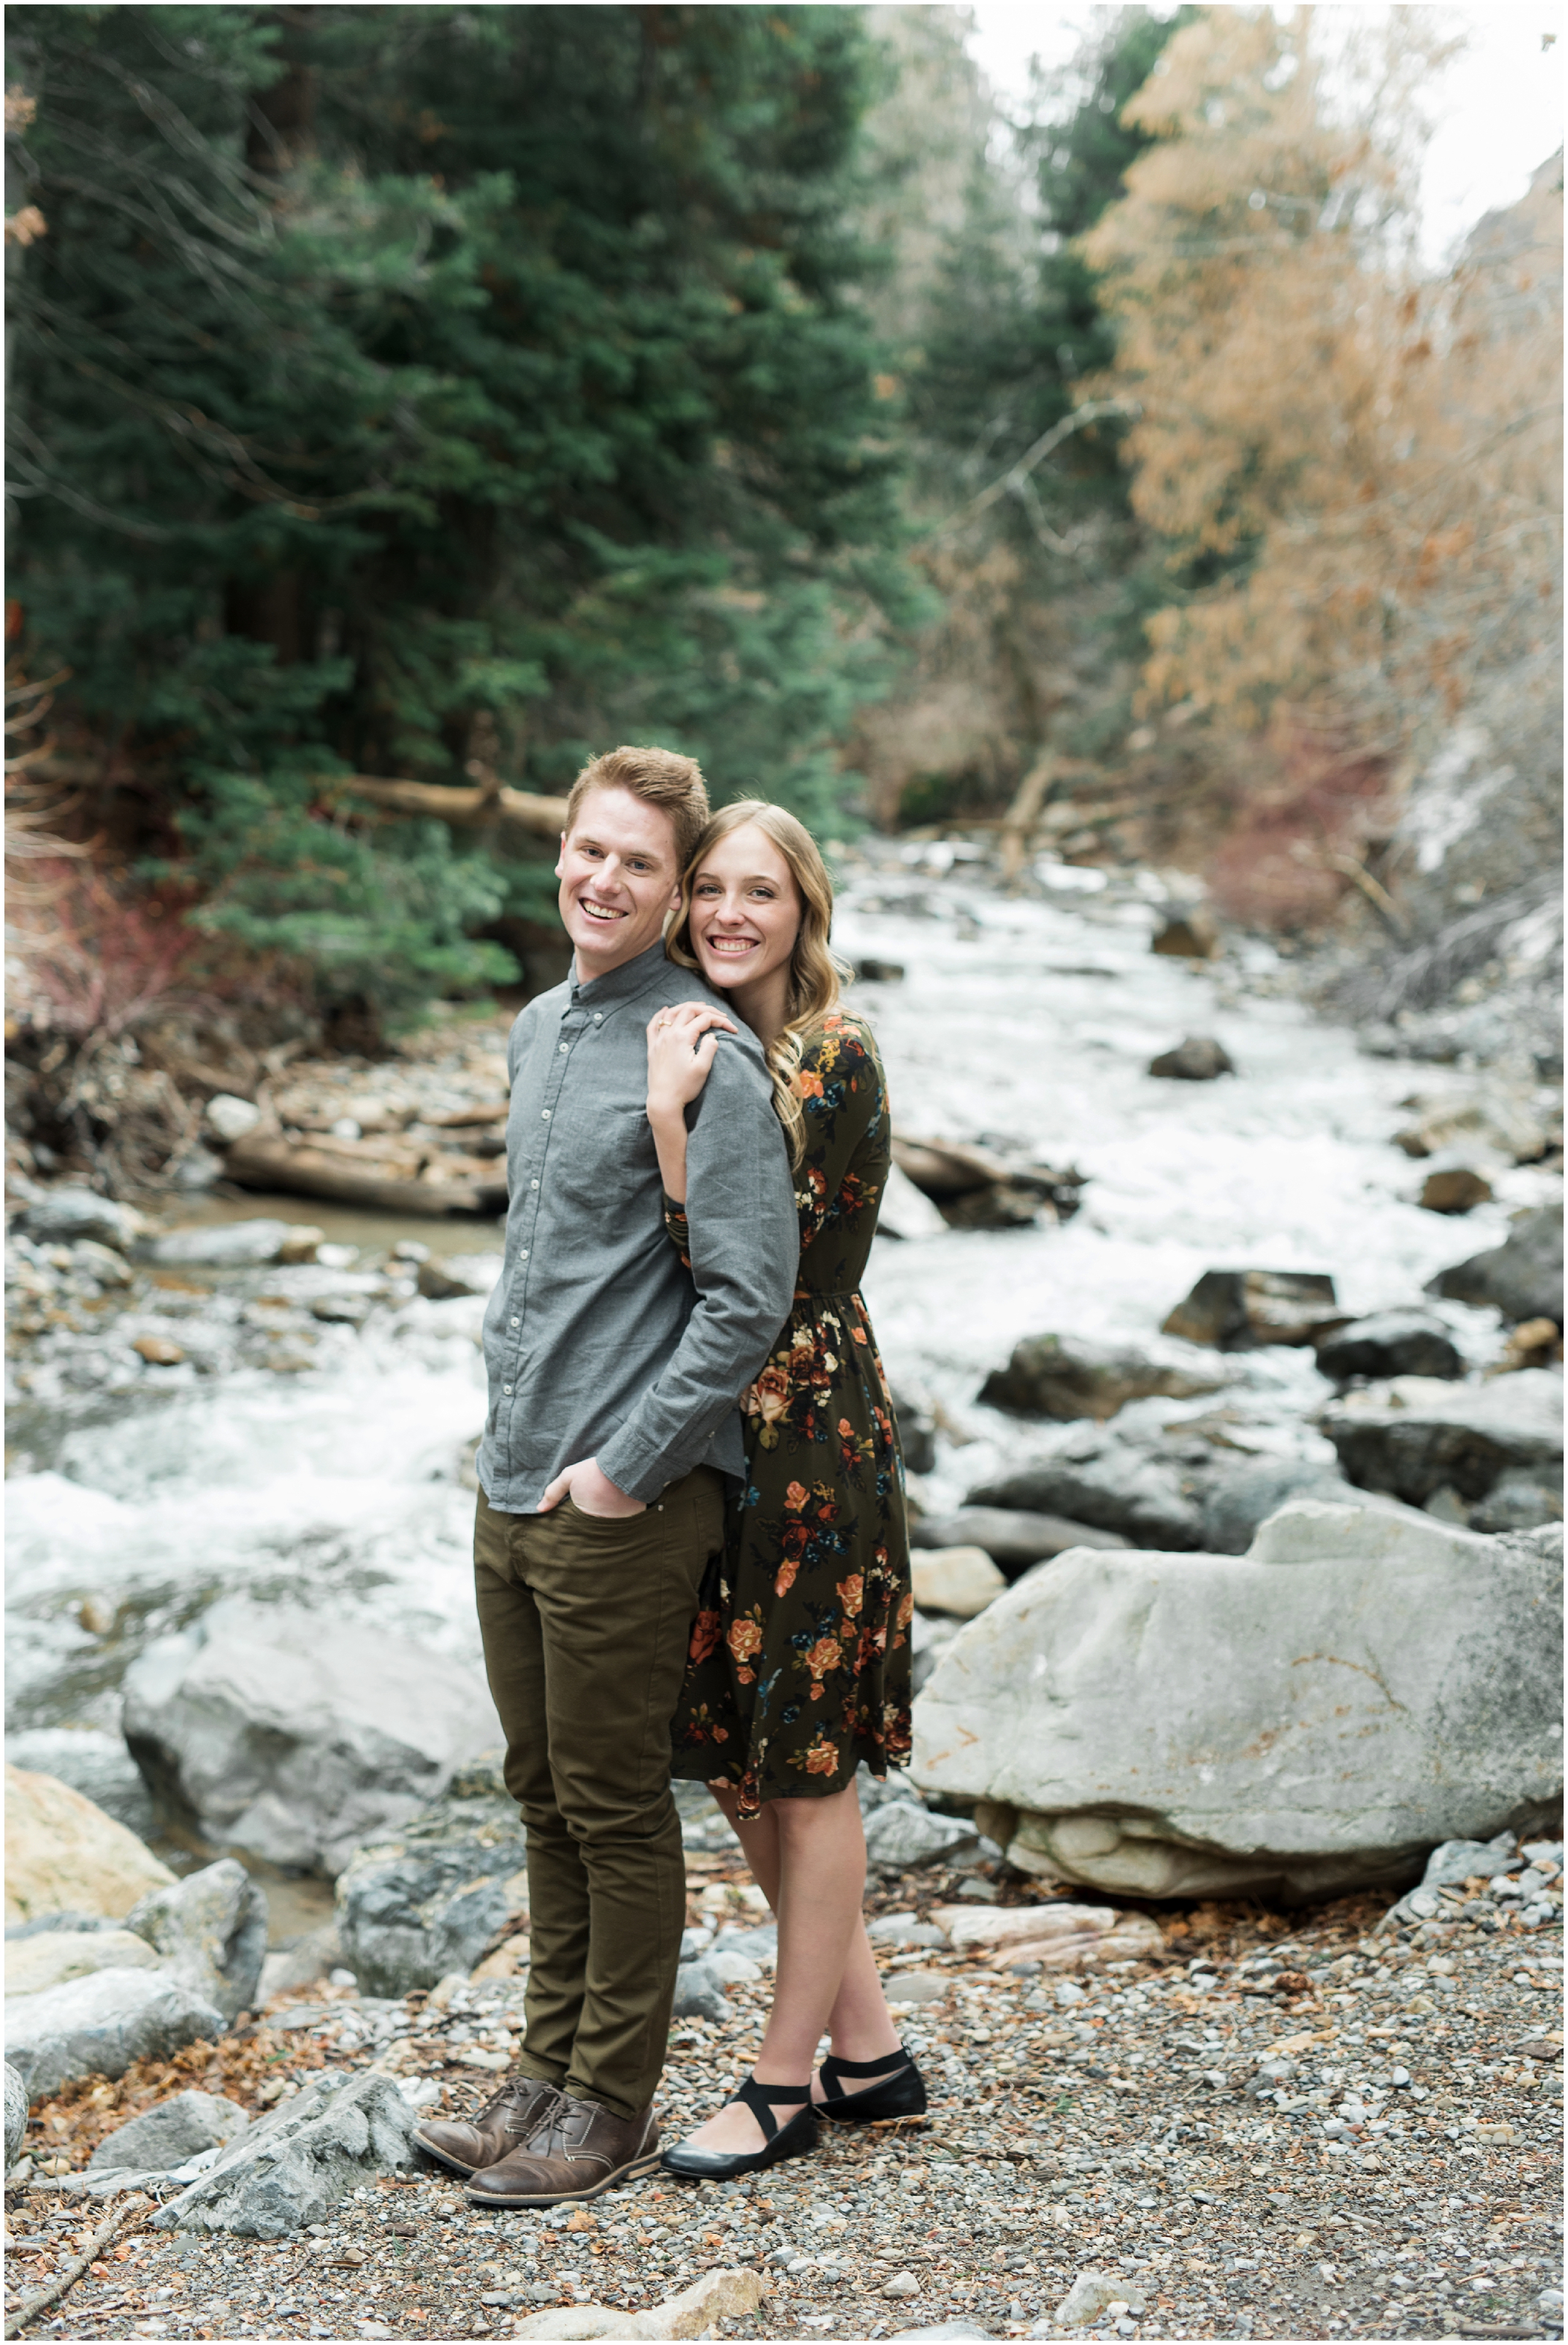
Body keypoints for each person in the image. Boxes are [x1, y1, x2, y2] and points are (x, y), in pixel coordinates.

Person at [415, 748, 798, 2210]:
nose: (599, 879)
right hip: (511, 1475)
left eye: (636, 864)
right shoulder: (535, 1028)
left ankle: (606, 2106)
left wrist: (627, 1472)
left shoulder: (702, 1049)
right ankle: (541, 2071)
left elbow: (744, 1297)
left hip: (619, 1496)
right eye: (585, 850)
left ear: (673, 888)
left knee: (615, 1803)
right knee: (540, 1793)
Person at [642, 799, 924, 2183]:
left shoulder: (823, 1057)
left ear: (806, 910)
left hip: (803, 1440)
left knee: (801, 1772)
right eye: (708, 887)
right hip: (723, 1433)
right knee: (748, 1765)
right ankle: (866, 2049)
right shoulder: (727, 1040)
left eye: (759, 891)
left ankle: (780, 2082)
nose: (727, 913)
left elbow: (726, 1256)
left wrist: (662, 1117)